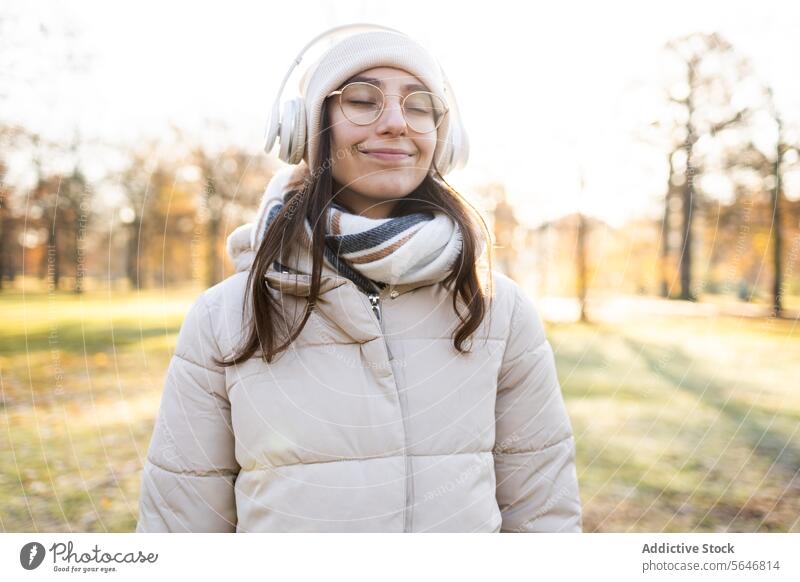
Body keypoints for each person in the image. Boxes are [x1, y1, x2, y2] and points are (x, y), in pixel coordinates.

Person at [135, 25, 582, 533]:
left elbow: (543, 515)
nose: (395, 122)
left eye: (419, 106)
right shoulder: (223, 318)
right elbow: (181, 526)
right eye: (363, 100)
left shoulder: (498, 309)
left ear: (443, 138)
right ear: (308, 129)